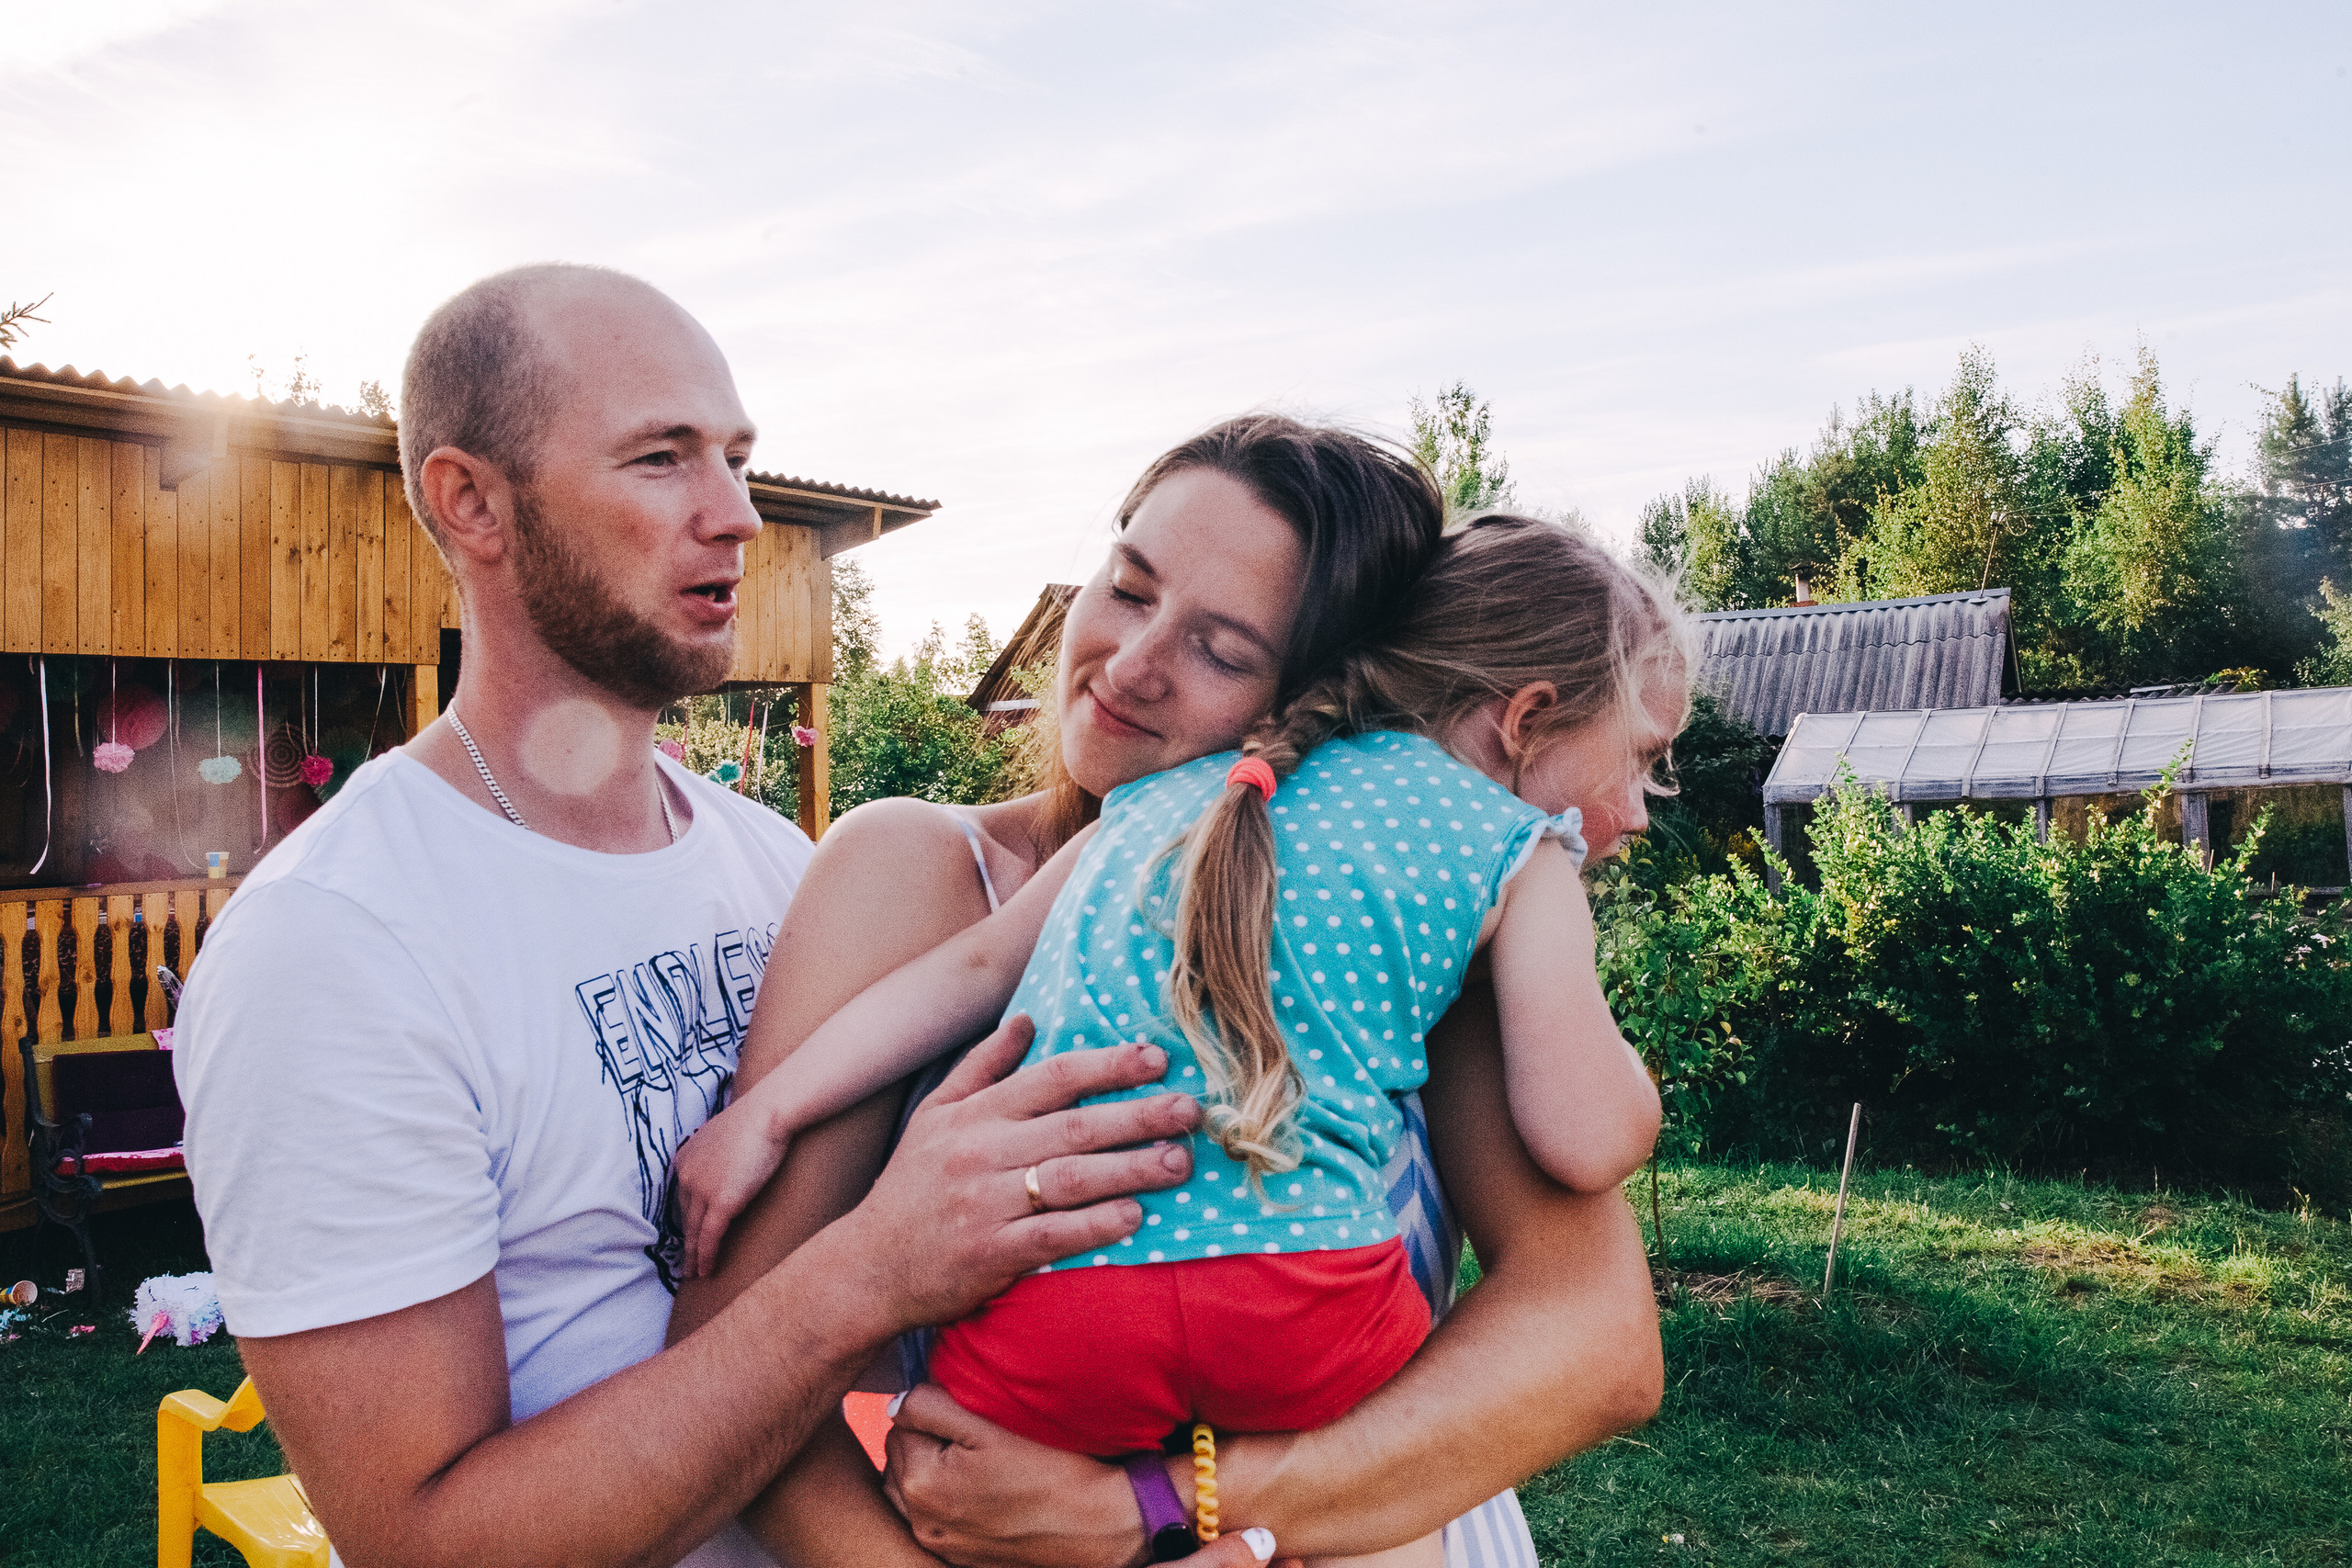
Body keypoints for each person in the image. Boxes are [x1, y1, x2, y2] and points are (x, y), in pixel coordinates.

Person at [175, 264, 1271, 1568]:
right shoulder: (337, 944)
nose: (739, 515)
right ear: (471, 501)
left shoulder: (774, 864)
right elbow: (423, 1539)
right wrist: (874, 1265)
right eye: (661, 459)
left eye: (739, 459)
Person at [668, 422, 1670, 1567]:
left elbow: (1596, 1344)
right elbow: (735, 1355)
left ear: (1328, 698)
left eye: (1226, 651)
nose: (1132, 664)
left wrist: (1158, 1509)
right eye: (1129, 586)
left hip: (1382, 1523)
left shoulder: (1415, 917)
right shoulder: (921, 874)